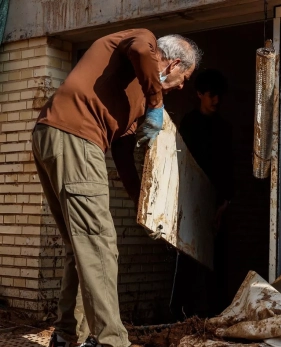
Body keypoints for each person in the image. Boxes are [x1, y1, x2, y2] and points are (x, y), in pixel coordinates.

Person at [34, 29, 201, 347]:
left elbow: (124, 156)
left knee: (79, 245)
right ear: (173, 63)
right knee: (100, 245)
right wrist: (156, 102)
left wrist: (144, 206)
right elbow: (140, 49)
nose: (181, 86)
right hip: (77, 136)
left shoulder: (135, 102)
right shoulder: (143, 40)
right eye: (184, 77)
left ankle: (67, 334)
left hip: (50, 135)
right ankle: (112, 341)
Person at [170, 69, 234, 318]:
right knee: (187, 257)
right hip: (191, 202)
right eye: (211, 95)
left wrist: (224, 203)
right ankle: (179, 315)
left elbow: (228, 168)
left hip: (217, 203)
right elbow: (182, 165)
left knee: (217, 260)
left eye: (219, 96)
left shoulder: (224, 128)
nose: (216, 100)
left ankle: (216, 314)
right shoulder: (189, 124)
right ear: (199, 94)